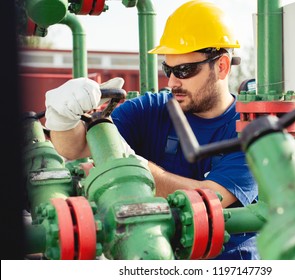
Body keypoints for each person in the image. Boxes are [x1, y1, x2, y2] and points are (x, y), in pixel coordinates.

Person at [45, 0, 259, 260]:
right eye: (167, 69)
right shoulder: (153, 109)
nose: (172, 81)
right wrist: (63, 120)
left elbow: (211, 199)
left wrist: (135, 170)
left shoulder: (250, 129)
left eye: (184, 70)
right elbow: (77, 147)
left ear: (222, 66)